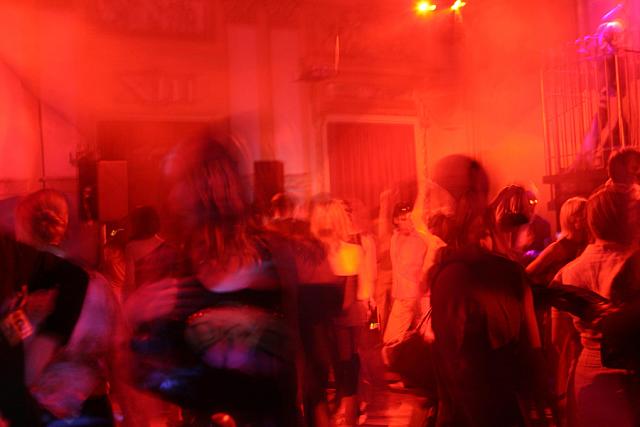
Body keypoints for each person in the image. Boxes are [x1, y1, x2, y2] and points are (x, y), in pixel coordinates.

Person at [123, 135, 299, 427]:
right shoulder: (174, 264)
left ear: (204, 185)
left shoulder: (272, 255)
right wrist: (133, 322)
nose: (171, 196)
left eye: (178, 182)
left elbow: (293, 361)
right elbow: (154, 374)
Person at [428, 155, 550, 426]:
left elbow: (453, 366)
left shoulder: (455, 276)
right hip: (508, 410)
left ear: (454, 201)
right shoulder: (510, 272)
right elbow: (534, 357)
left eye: (434, 192)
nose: (427, 205)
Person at [15, 189, 118, 427]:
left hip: (40, 412)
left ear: (23, 230)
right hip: (92, 410)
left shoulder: (21, 288)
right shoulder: (96, 285)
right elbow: (117, 354)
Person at [553, 187, 640, 427]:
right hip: (631, 373)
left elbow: (558, 339)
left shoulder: (569, 271)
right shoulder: (634, 264)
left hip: (588, 373)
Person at [0, 194, 89, 426]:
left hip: (40, 407)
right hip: (82, 407)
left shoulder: (23, 276)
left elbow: (22, 369)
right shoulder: (89, 282)